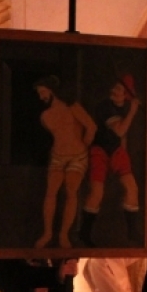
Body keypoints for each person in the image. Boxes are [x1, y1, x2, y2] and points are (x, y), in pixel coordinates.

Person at [32, 75, 97, 249]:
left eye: (43, 92)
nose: (42, 96)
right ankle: (47, 234)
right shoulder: (45, 116)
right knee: (51, 192)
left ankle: (63, 235)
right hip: (57, 156)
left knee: (71, 192)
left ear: (52, 90)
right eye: (40, 93)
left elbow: (91, 126)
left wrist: (84, 146)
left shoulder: (73, 107)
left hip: (77, 156)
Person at [80, 74, 142, 246]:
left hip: (116, 151)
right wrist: (133, 112)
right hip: (99, 151)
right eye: (114, 87)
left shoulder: (125, 106)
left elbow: (123, 138)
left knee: (132, 188)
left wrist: (123, 154)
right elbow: (120, 130)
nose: (113, 91)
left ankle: (132, 231)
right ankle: (84, 232)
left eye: (119, 89)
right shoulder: (105, 107)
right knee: (97, 192)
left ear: (126, 94)